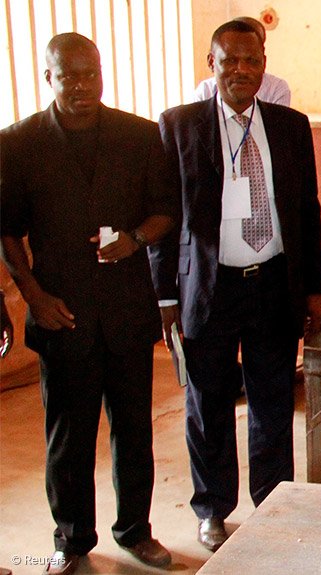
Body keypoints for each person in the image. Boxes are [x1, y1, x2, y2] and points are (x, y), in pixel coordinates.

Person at [0, 33, 175, 574]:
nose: (81, 85)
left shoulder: (141, 136)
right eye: (68, 75)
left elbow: (167, 209)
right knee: (68, 434)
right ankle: (72, 539)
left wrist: (137, 239)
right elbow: (7, 233)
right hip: (61, 312)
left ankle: (135, 531)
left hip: (125, 308)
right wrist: (34, 296)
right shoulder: (17, 143)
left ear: (102, 73)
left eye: (90, 73)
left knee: (134, 429)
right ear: (47, 78)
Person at [152, 19, 321, 552]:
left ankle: (274, 502)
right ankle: (212, 509)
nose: (241, 71)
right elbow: (163, 215)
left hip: (272, 282)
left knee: (273, 402)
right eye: (230, 60)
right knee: (207, 404)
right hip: (209, 286)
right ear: (212, 65)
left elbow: (305, 212)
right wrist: (165, 295)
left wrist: (312, 290)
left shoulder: (290, 126)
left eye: (252, 60)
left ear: (264, 65)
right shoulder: (178, 126)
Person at [192, 16, 291, 106]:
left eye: (251, 60)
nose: (242, 69)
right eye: (231, 60)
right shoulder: (205, 90)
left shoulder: (276, 88)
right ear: (211, 62)